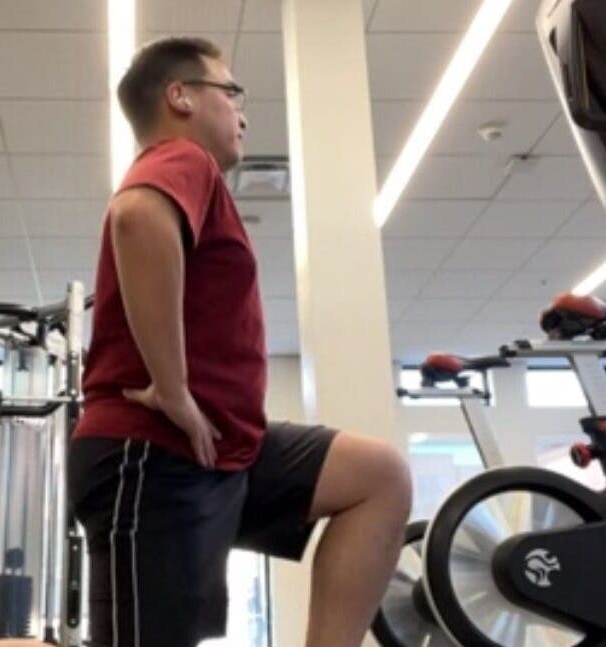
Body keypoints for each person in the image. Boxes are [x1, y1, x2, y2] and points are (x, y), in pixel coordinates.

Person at [68, 36, 412, 647]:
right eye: (231, 93)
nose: (242, 112)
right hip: (153, 458)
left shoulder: (198, 182)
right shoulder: (182, 158)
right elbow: (136, 218)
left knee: (378, 477)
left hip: (226, 454)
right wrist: (173, 392)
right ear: (180, 97)